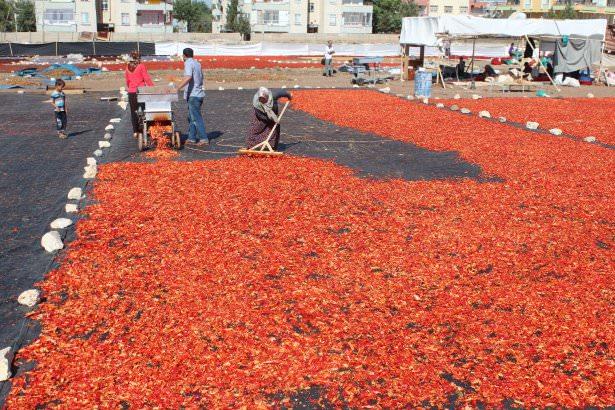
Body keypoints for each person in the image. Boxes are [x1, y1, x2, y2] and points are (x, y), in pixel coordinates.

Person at [176, 48, 208, 145]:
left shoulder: (188, 63)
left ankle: (203, 139)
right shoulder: (197, 63)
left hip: (194, 95)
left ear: (184, 56)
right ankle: (191, 138)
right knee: (191, 117)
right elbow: (201, 77)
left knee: (196, 117)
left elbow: (188, 77)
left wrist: (177, 88)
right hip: (199, 93)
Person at [125, 51, 154, 139]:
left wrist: (130, 86)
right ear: (139, 58)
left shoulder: (127, 67)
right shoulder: (141, 66)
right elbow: (147, 79)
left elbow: (127, 81)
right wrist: (152, 88)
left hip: (131, 92)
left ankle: (135, 131)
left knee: (134, 112)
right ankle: (147, 129)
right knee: (146, 110)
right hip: (141, 91)